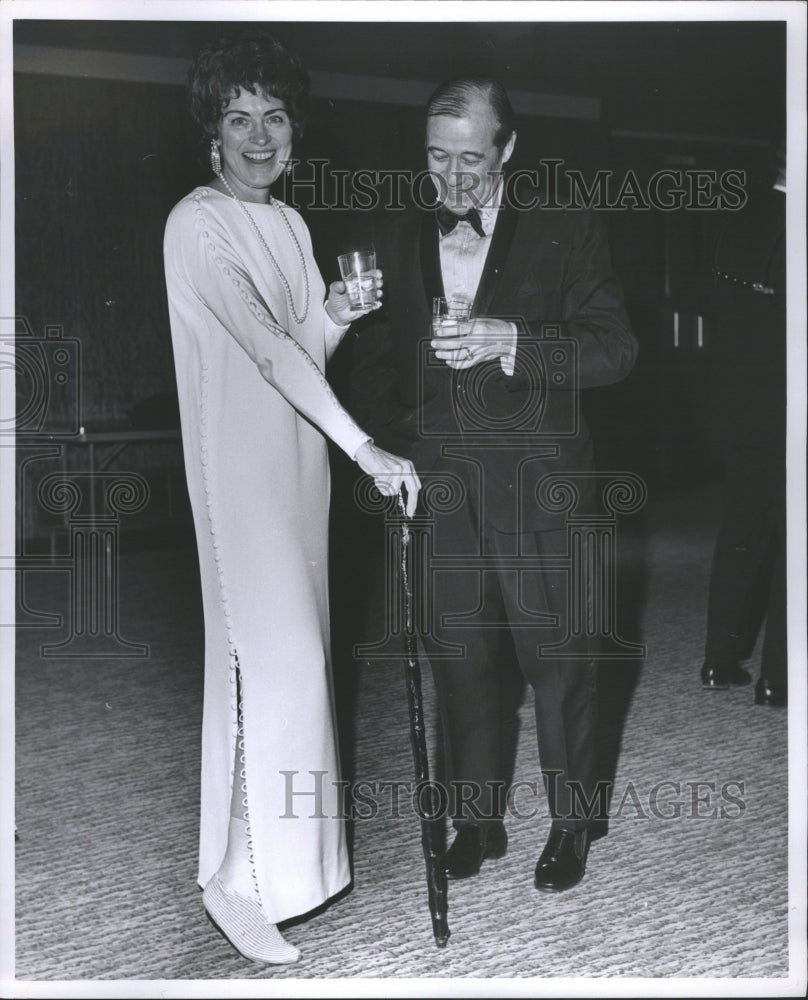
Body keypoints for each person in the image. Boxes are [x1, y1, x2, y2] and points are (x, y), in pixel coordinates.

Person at [163, 33, 420, 965]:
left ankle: (271, 872)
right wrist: (363, 444)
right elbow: (264, 353)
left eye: (273, 116)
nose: (258, 135)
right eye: (238, 118)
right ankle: (237, 882)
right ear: (212, 135)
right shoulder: (197, 223)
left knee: (291, 672)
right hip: (237, 476)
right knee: (273, 673)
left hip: (297, 467)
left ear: (294, 131)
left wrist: (339, 315)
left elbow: (301, 342)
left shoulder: (294, 225)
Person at [349, 78, 637, 893]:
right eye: (437, 158)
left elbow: (616, 350)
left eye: (471, 160)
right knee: (461, 658)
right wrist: (408, 439)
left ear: (508, 150)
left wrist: (515, 339)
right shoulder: (392, 229)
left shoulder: (566, 223)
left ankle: (572, 822)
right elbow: (366, 365)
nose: (452, 181)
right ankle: (477, 818)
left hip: (540, 478)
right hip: (439, 482)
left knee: (561, 661)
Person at [699, 142, 787, 707]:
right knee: (793, 544)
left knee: (740, 533)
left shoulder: (736, 222)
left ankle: (718, 660)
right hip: (788, 408)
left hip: (736, 408)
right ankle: (779, 677)